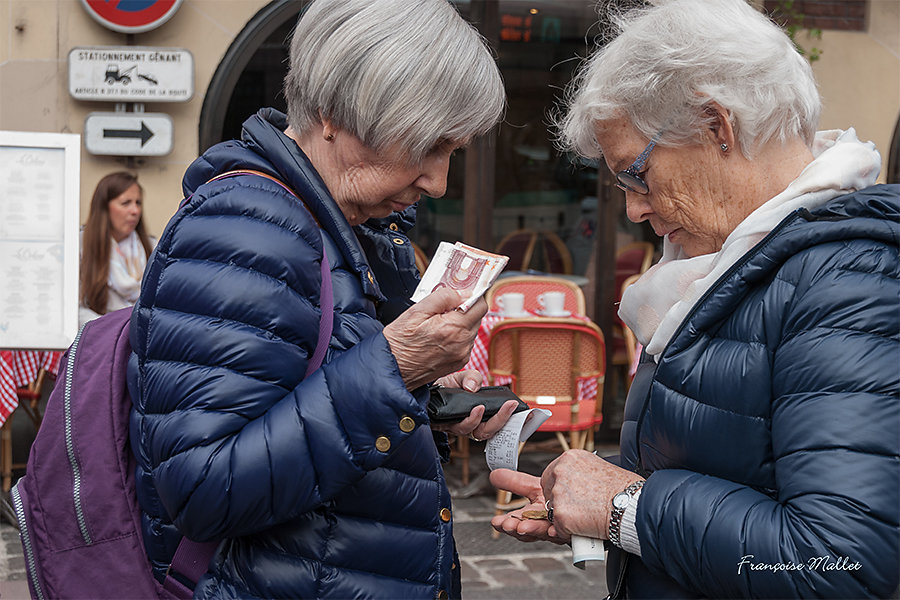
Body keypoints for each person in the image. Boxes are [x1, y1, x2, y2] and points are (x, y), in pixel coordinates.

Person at [490, 1, 899, 598]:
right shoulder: (734, 262)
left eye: (637, 174)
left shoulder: (847, 278)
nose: (633, 208)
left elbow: (839, 564)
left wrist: (625, 506)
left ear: (717, 127)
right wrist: (609, 515)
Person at [127, 1, 514, 598]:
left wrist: (423, 400)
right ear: (334, 116)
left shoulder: (331, 223)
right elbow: (203, 490)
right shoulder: (244, 228)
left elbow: (302, 396)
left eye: (452, 152)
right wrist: (395, 368)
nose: (438, 182)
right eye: (425, 145)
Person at [78, 171, 155, 327]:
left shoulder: (153, 247)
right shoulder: (80, 245)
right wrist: (110, 328)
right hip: (98, 339)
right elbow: (75, 309)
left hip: (141, 339)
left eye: (138, 203)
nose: (135, 211)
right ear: (104, 208)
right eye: (126, 203)